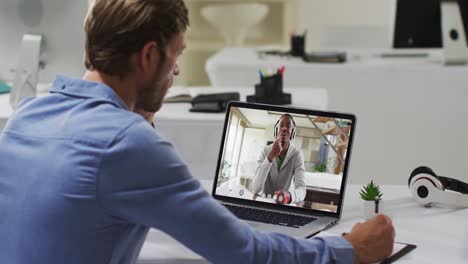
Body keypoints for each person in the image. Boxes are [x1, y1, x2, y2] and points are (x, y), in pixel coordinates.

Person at [0, 0, 395, 263]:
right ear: (149, 55)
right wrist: (349, 250)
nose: (175, 72)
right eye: (177, 56)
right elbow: (243, 252)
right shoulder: (127, 143)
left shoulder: (27, 116)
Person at [251, 114, 306, 205]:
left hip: (284, 205)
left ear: (292, 133)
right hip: (264, 203)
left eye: (288, 126)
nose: (284, 129)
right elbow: (255, 188)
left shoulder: (297, 155)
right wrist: (270, 156)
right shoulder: (265, 151)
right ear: (276, 131)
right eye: (281, 126)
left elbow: (302, 190)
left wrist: (289, 196)